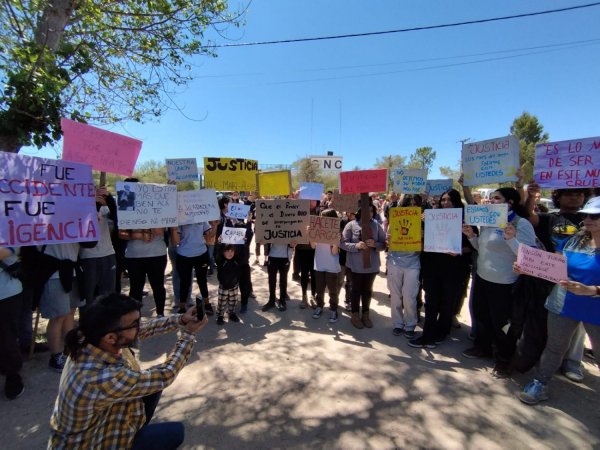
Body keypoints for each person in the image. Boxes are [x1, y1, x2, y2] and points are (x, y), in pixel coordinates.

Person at [48, 293, 207, 449]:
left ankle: (136, 425)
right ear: (111, 337)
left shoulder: (91, 337)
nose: (140, 326)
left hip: (104, 422)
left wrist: (180, 319)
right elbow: (165, 375)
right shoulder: (101, 377)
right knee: (176, 432)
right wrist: (188, 335)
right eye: (135, 324)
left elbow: (141, 330)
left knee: (151, 390)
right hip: (91, 443)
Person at [518, 196, 600, 405]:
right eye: (586, 215)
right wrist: (527, 266)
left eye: (595, 216)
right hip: (563, 304)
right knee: (555, 346)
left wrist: (593, 290)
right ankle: (540, 383)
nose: (588, 220)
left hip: (595, 310)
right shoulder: (573, 240)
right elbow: (553, 265)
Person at [461, 187, 537, 377]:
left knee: (502, 323)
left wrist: (511, 239)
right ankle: (483, 348)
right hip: (483, 278)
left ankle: (504, 360)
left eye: (496, 198)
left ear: (509, 202)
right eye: (490, 197)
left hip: (504, 284)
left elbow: (528, 257)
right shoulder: (489, 220)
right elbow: (482, 248)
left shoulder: (522, 224)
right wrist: (472, 236)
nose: (490, 201)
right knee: (481, 315)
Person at [410, 189, 474, 348]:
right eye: (443, 200)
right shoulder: (432, 217)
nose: (445, 203)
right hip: (432, 267)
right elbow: (420, 236)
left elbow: (471, 247)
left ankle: (442, 332)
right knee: (431, 302)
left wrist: (458, 251)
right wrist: (422, 226)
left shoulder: (465, 221)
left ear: (456, 202)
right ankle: (427, 335)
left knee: (447, 303)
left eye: (449, 200)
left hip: (453, 270)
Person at [341, 204, 386, 329]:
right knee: (355, 290)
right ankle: (355, 315)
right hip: (355, 266)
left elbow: (384, 244)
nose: (369, 213)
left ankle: (365, 314)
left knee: (367, 290)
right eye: (367, 210)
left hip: (371, 266)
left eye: (371, 211)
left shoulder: (376, 225)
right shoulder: (351, 225)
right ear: (361, 211)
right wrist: (356, 246)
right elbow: (343, 243)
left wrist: (375, 244)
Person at [386, 197, 421, 340]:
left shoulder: (423, 223)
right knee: (395, 295)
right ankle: (398, 323)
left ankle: (411, 324)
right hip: (395, 261)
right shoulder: (394, 221)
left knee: (409, 296)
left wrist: (423, 237)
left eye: (415, 204)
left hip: (413, 263)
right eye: (409, 204)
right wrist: (388, 240)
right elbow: (387, 241)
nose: (412, 207)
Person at [78, 186, 117, 307]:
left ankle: (107, 323)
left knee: (108, 295)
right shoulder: (79, 210)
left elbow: (117, 216)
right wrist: (94, 205)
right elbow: (87, 223)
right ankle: (88, 323)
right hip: (88, 257)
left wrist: (109, 197)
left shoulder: (104, 209)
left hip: (108, 254)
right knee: (88, 297)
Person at [171, 221, 214, 315]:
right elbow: (175, 242)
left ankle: (207, 304)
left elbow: (210, 239)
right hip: (183, 255)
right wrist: (173, 228)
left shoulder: (202, 218)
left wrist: (215, 225)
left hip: (201, 253)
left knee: (202, 280)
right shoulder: (180, 219)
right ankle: (182, 307)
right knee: (184, 282)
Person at [0, 247, 24, 400]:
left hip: (6, 293)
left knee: (6, 337)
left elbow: (12, 249)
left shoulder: (6, 224)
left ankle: (12, 376)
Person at [310, 209, 341, 322]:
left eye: (324, 218)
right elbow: (313, 246)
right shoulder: (317, 231)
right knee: (319, 289)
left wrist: (335, 243)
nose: (321, 220)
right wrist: (311, 235)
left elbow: (334, 252)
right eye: (321, 217)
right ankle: (319, 306)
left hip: (331, 266)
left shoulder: (336, 233)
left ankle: (333, 309)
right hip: (319, 264)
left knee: (332, 290)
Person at [261, 242, 295, 312]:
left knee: (283, 280)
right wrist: (263, 241)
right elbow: (265, 237)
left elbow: (294, 239)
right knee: (271, 280)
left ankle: (282, 301)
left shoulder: (290, 230)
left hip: (285, 257)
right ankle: (271, 300)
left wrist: (293, 245)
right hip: (272, 256)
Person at [215, 244, 242, 325]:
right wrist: (219, 243)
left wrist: (242, 242)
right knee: (222, 302)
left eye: (232, 251)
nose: (230, 253)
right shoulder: (221, 260)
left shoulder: (236, 260)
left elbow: (242, 253)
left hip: (234, 286)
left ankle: (231, 313)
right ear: (223, 252)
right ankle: (220, 315)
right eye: (227, 251)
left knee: (233, 301)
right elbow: (216, 253)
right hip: (223, 286)